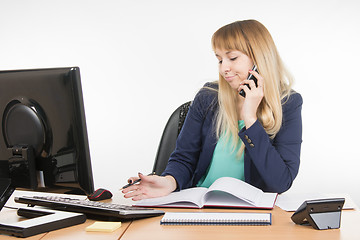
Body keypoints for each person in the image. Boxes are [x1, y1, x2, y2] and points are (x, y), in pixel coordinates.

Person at [123, 19, 302, 201]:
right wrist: (169, 181)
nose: (224, 68)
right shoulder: (208, 97)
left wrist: (250, 118)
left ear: (259, 58)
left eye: (232, 58)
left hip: (250, 210)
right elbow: (184, 158)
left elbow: (281, 182)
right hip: (200, 203)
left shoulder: (288, 103)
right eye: (219, 60)